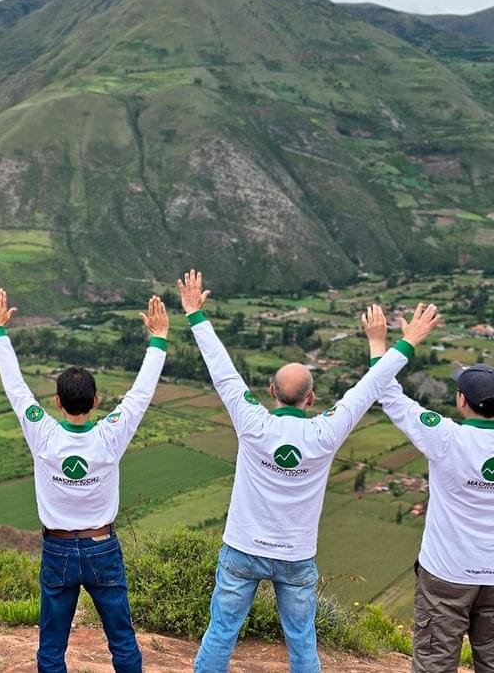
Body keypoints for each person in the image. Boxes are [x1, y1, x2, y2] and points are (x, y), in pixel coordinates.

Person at [179, 272, 437, 673]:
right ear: (311, 398)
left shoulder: (253, 422)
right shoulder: (325, 432)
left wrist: (195, 314)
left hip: (243, 548)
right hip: (295, 555)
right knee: (301, 640)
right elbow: (368, 388)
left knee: (222, 631)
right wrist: (406, 340)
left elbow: (223, 371)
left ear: (271, 391)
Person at [373, 303, 494, 673]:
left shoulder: (446, 438)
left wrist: (382, 341)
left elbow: (387, 393)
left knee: (434, 663)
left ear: (461, 400)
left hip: (446, 573)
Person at [0, 288, 169, 673]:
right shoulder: (110, 435)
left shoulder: (43, 434)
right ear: (96, 401)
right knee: (121, 638)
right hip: (102, 546)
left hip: (57, 548)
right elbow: (139, 396)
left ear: (57, 402)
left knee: (52, 645)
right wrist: (158, 339)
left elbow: (17, 390)